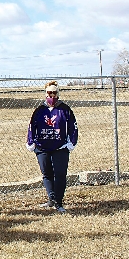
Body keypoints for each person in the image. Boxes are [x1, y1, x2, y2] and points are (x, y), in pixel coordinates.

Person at [26, 81, 78, 213]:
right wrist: (31, 142)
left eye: (54, 93)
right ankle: (51, 198)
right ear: (45, 94)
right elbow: (32, 127)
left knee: (60, 174)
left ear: (58, 94)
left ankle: (59, 203)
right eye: (49, 93)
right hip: (42, 147)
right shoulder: (39, 110)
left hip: (60, 147)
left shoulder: (65, 109)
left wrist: (71, 142)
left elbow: (73, 127)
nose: (52, 95)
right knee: (47, 174)